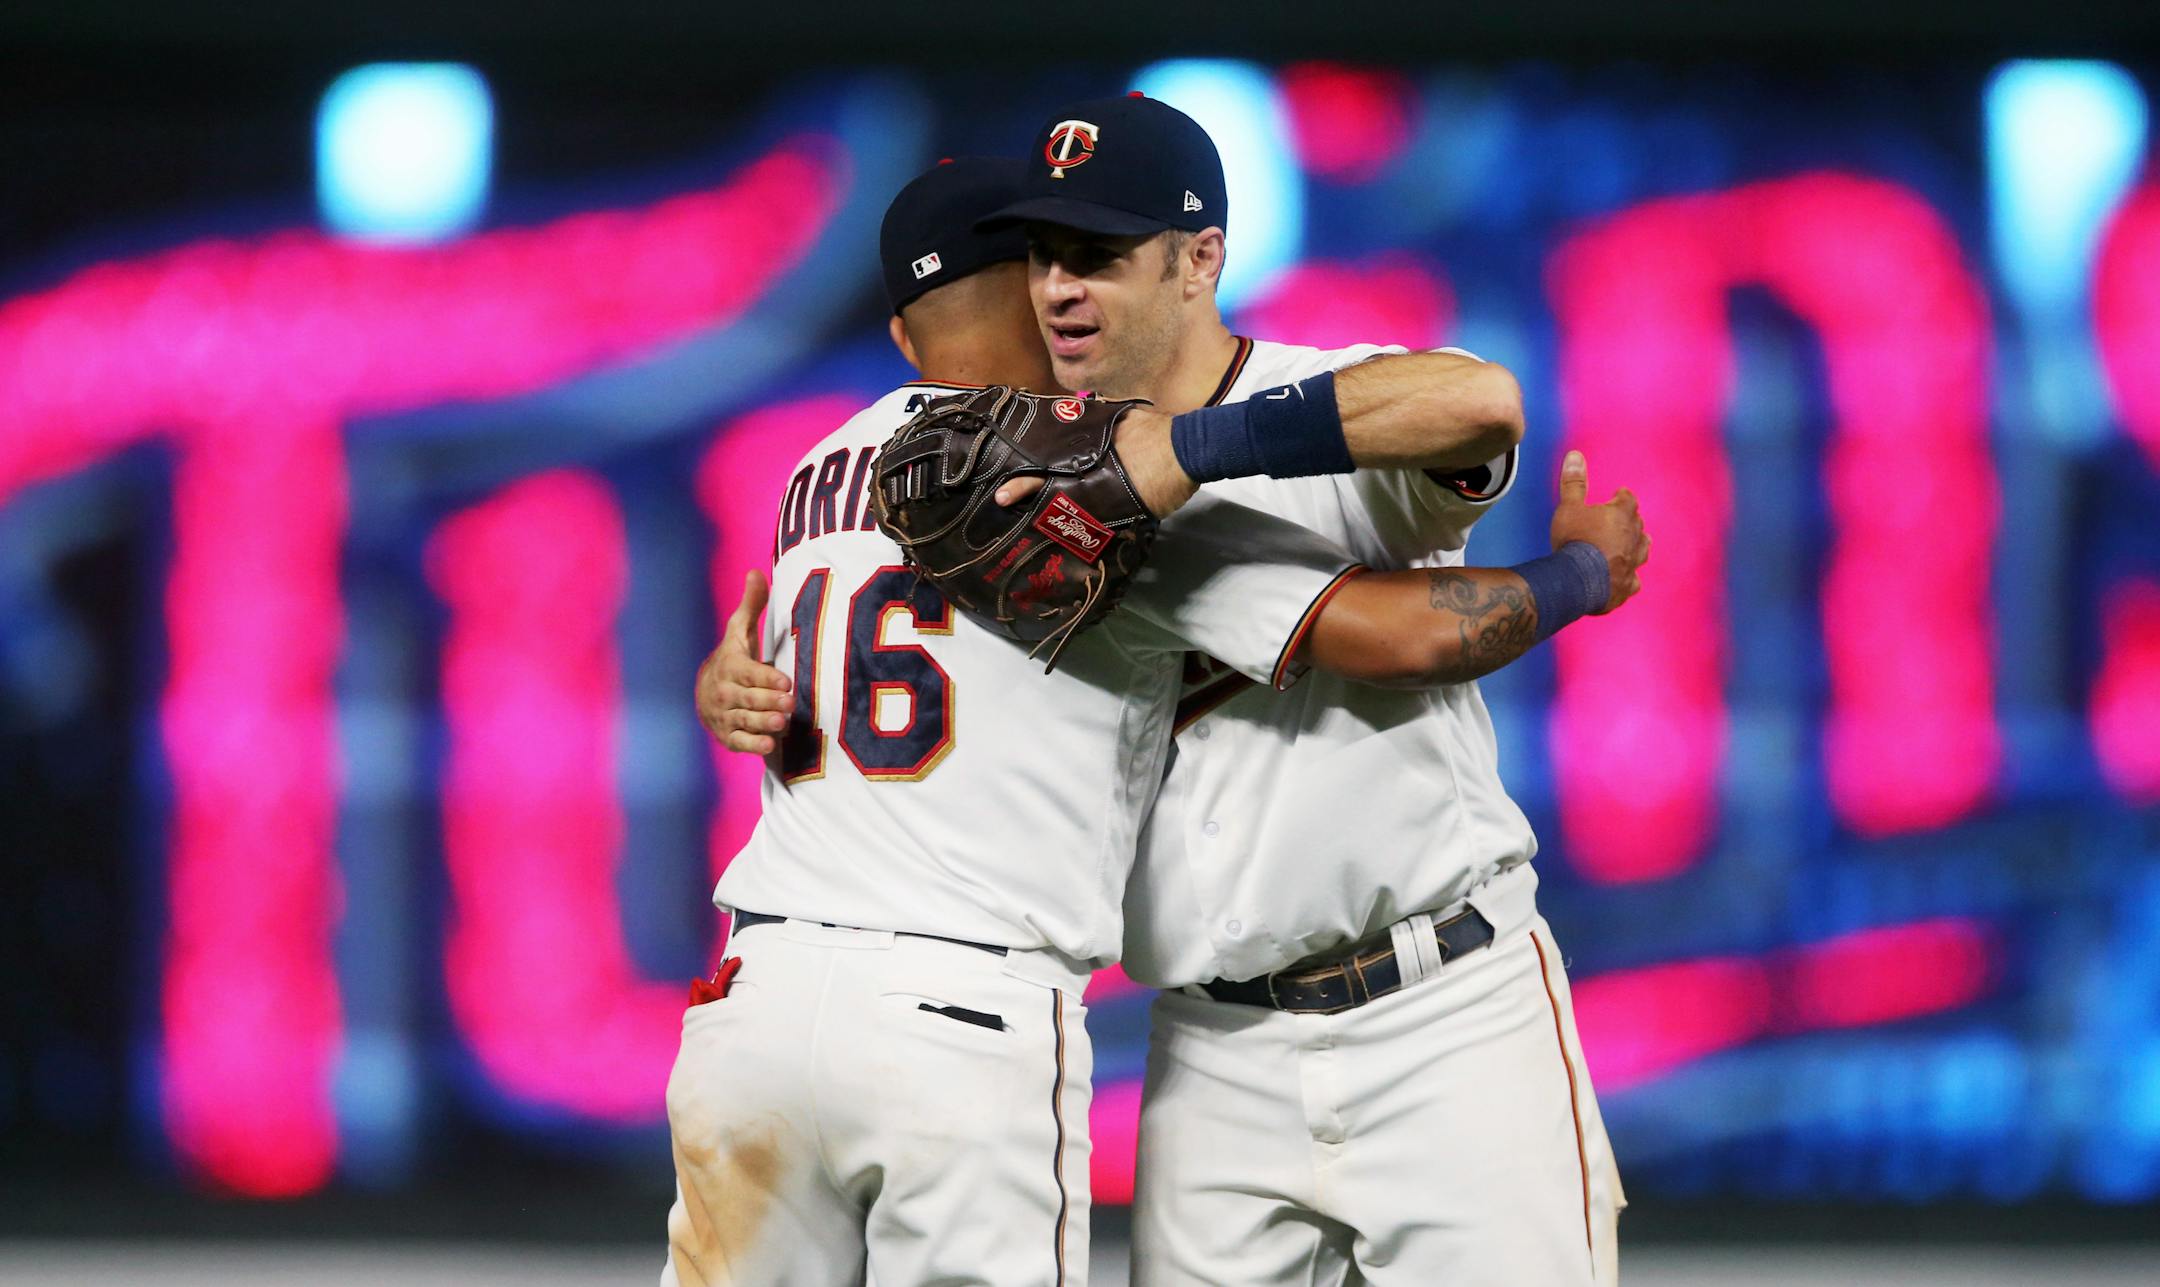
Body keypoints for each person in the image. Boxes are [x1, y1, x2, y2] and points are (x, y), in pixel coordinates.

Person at [668, 154, 1643, 1287]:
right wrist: (1579, 575)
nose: (1062, 290)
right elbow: (1402, 637)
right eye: (1043, 263)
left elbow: (806, 660)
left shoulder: (820, 466)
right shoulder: (1072, 488)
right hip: (1040, 1024)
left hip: (765, 994)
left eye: (1091, 258)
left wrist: (717, 685)